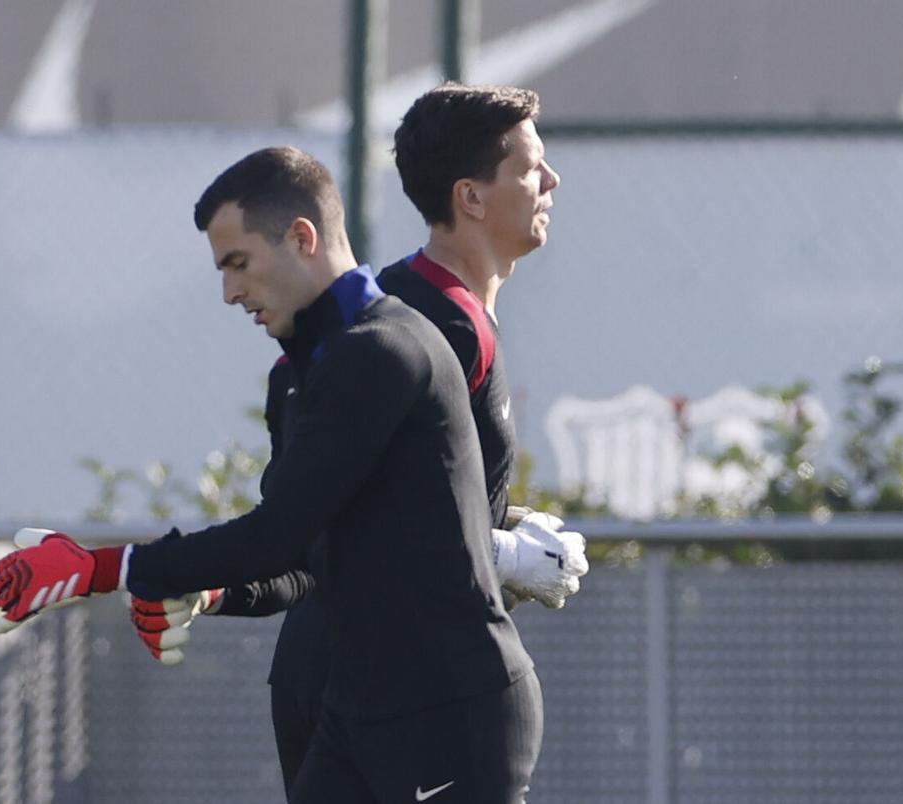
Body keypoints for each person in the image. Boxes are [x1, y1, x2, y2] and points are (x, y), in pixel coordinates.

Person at [0, 145, 544, 803]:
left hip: (448, 710)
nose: (228, 293)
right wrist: (208, 593)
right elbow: (304, 561)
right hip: (358, 707)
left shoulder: (385, 349)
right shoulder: (300, 374)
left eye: (238, 264)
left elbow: (274, 534)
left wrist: (102, 568)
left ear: (302, 238)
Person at [132, 83, 588, 799]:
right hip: (374, 689)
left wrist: (497, 530)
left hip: (365, 676)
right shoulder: (426, 327)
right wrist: (499, 551)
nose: (552, 180)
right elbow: (326, 524)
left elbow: (385, 497)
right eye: (532, 166)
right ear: (471, 197)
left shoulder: (425, 313)